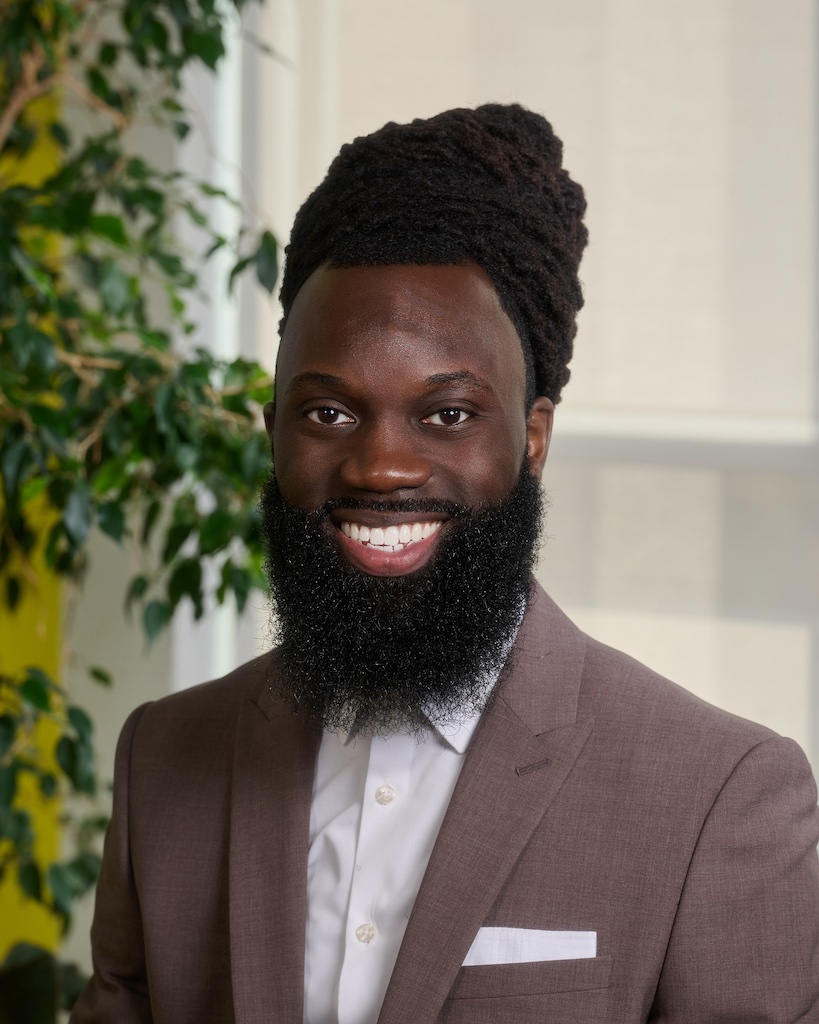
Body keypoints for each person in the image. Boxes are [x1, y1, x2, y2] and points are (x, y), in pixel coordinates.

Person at [72, 104, 819, 1024]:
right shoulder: (164, 758)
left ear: (532, 437)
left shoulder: (719, 796)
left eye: (449, 414)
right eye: (329, 413)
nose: (380, 466)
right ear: (272, 434)